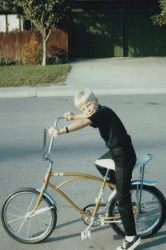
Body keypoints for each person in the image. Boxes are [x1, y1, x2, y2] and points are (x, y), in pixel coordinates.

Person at [48, 89, 141, 250]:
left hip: (124, 156)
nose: (88, 109)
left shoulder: (104, 112)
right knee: (99, 164)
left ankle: (131, 237)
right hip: (115, 152)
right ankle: (118, 191)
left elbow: (85, 121)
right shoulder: (97, 114)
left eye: (89, 104)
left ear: (96, 100)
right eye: (83, 108)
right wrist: (63, 127)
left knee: (122, 199)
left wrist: (67, 124)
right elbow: (86, 120)